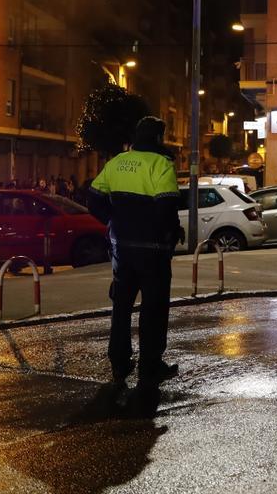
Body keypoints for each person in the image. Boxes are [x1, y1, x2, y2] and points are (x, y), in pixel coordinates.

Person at [89, 116, 183, 393]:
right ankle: (150, 364)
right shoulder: (159, 164)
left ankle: (119, 363)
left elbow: (93, 197)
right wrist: (169, 233)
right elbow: (167, 206)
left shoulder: (117, 162)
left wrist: (112, 220)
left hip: (122, 249)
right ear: (156, 138)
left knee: (121, 307)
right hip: (152, 251)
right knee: (153, 309)